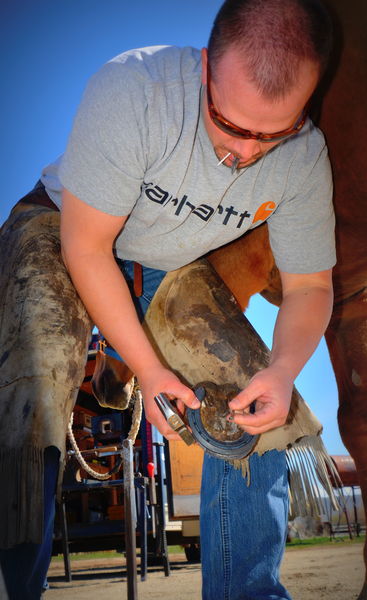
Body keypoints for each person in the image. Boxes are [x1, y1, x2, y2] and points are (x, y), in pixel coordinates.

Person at [0, 0, 335, 598]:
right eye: (231, 125)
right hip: (68, 226)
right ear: (204, 68)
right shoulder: (133, 90)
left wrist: (285, 369)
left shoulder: (305, 157)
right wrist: (152, 370)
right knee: (31, 396)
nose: (248, 154)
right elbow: (88, 249)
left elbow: (310, 286)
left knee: (253, 396)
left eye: (274, 133)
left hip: (172, 258)